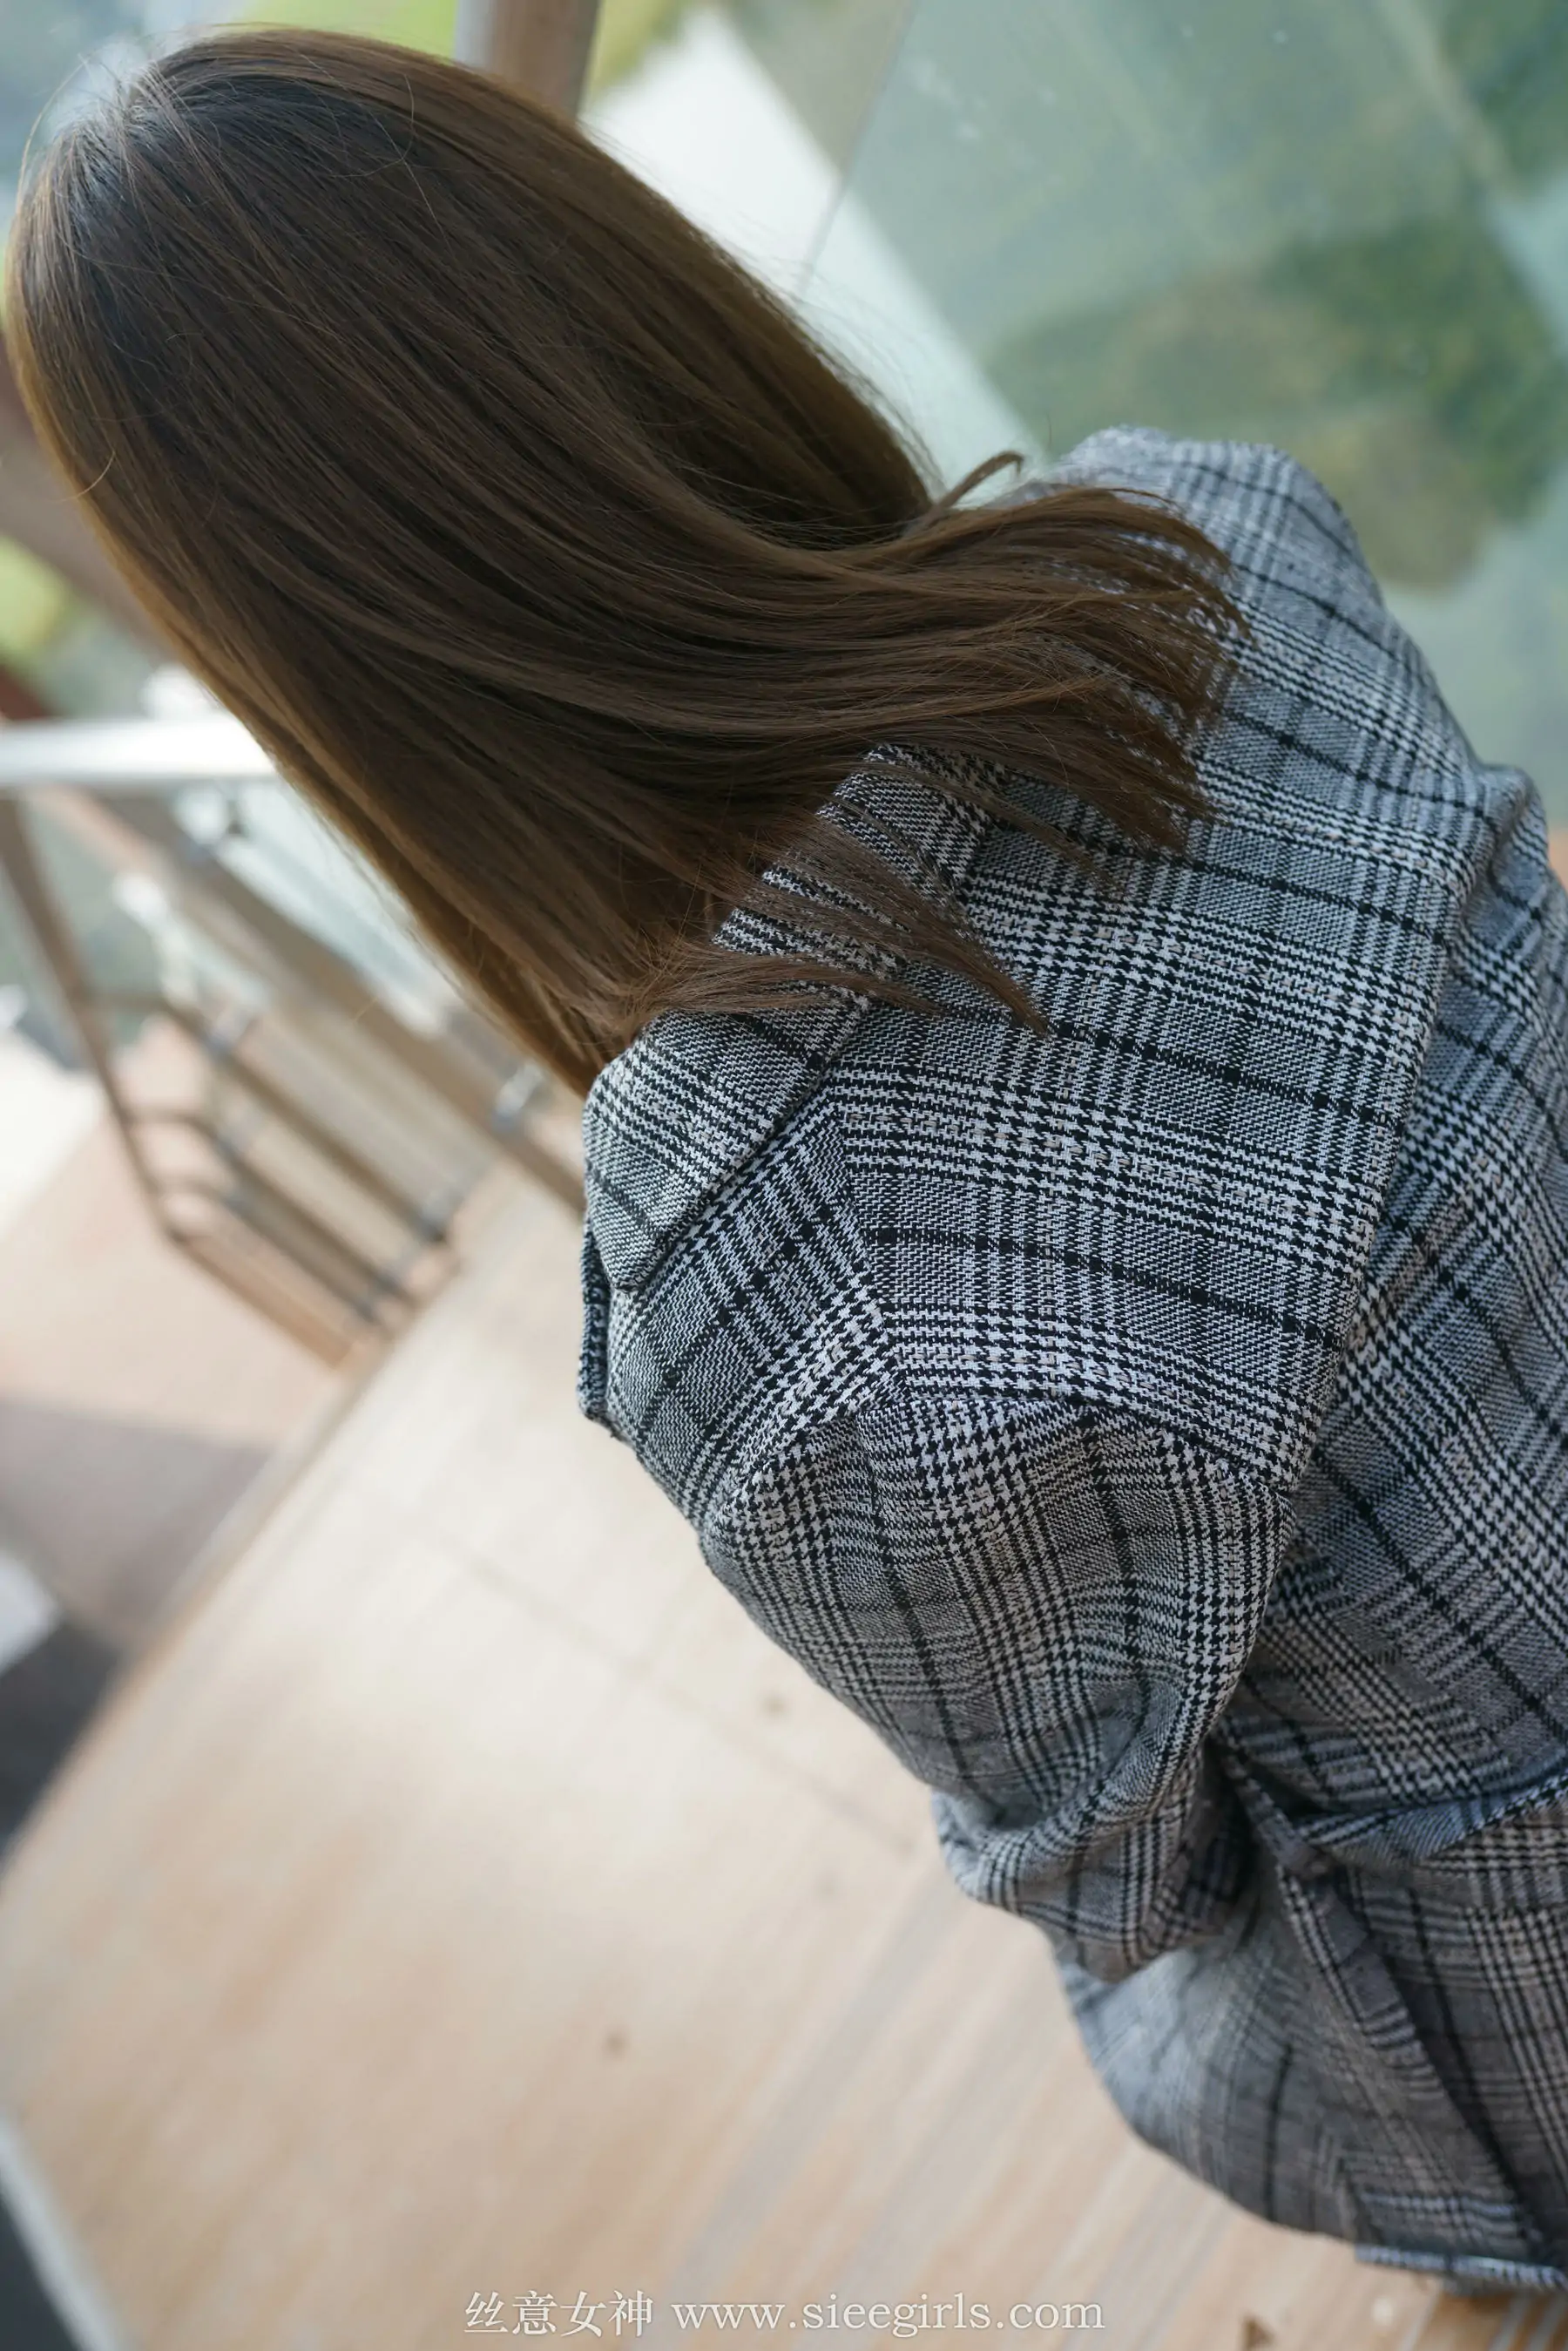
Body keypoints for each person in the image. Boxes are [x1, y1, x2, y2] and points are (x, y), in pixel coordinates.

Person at [9, 24, 1568, 2299]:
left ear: (307, 665)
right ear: (640, 288)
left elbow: (1121, 1880)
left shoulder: (765, 1272)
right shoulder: (1202, 535)